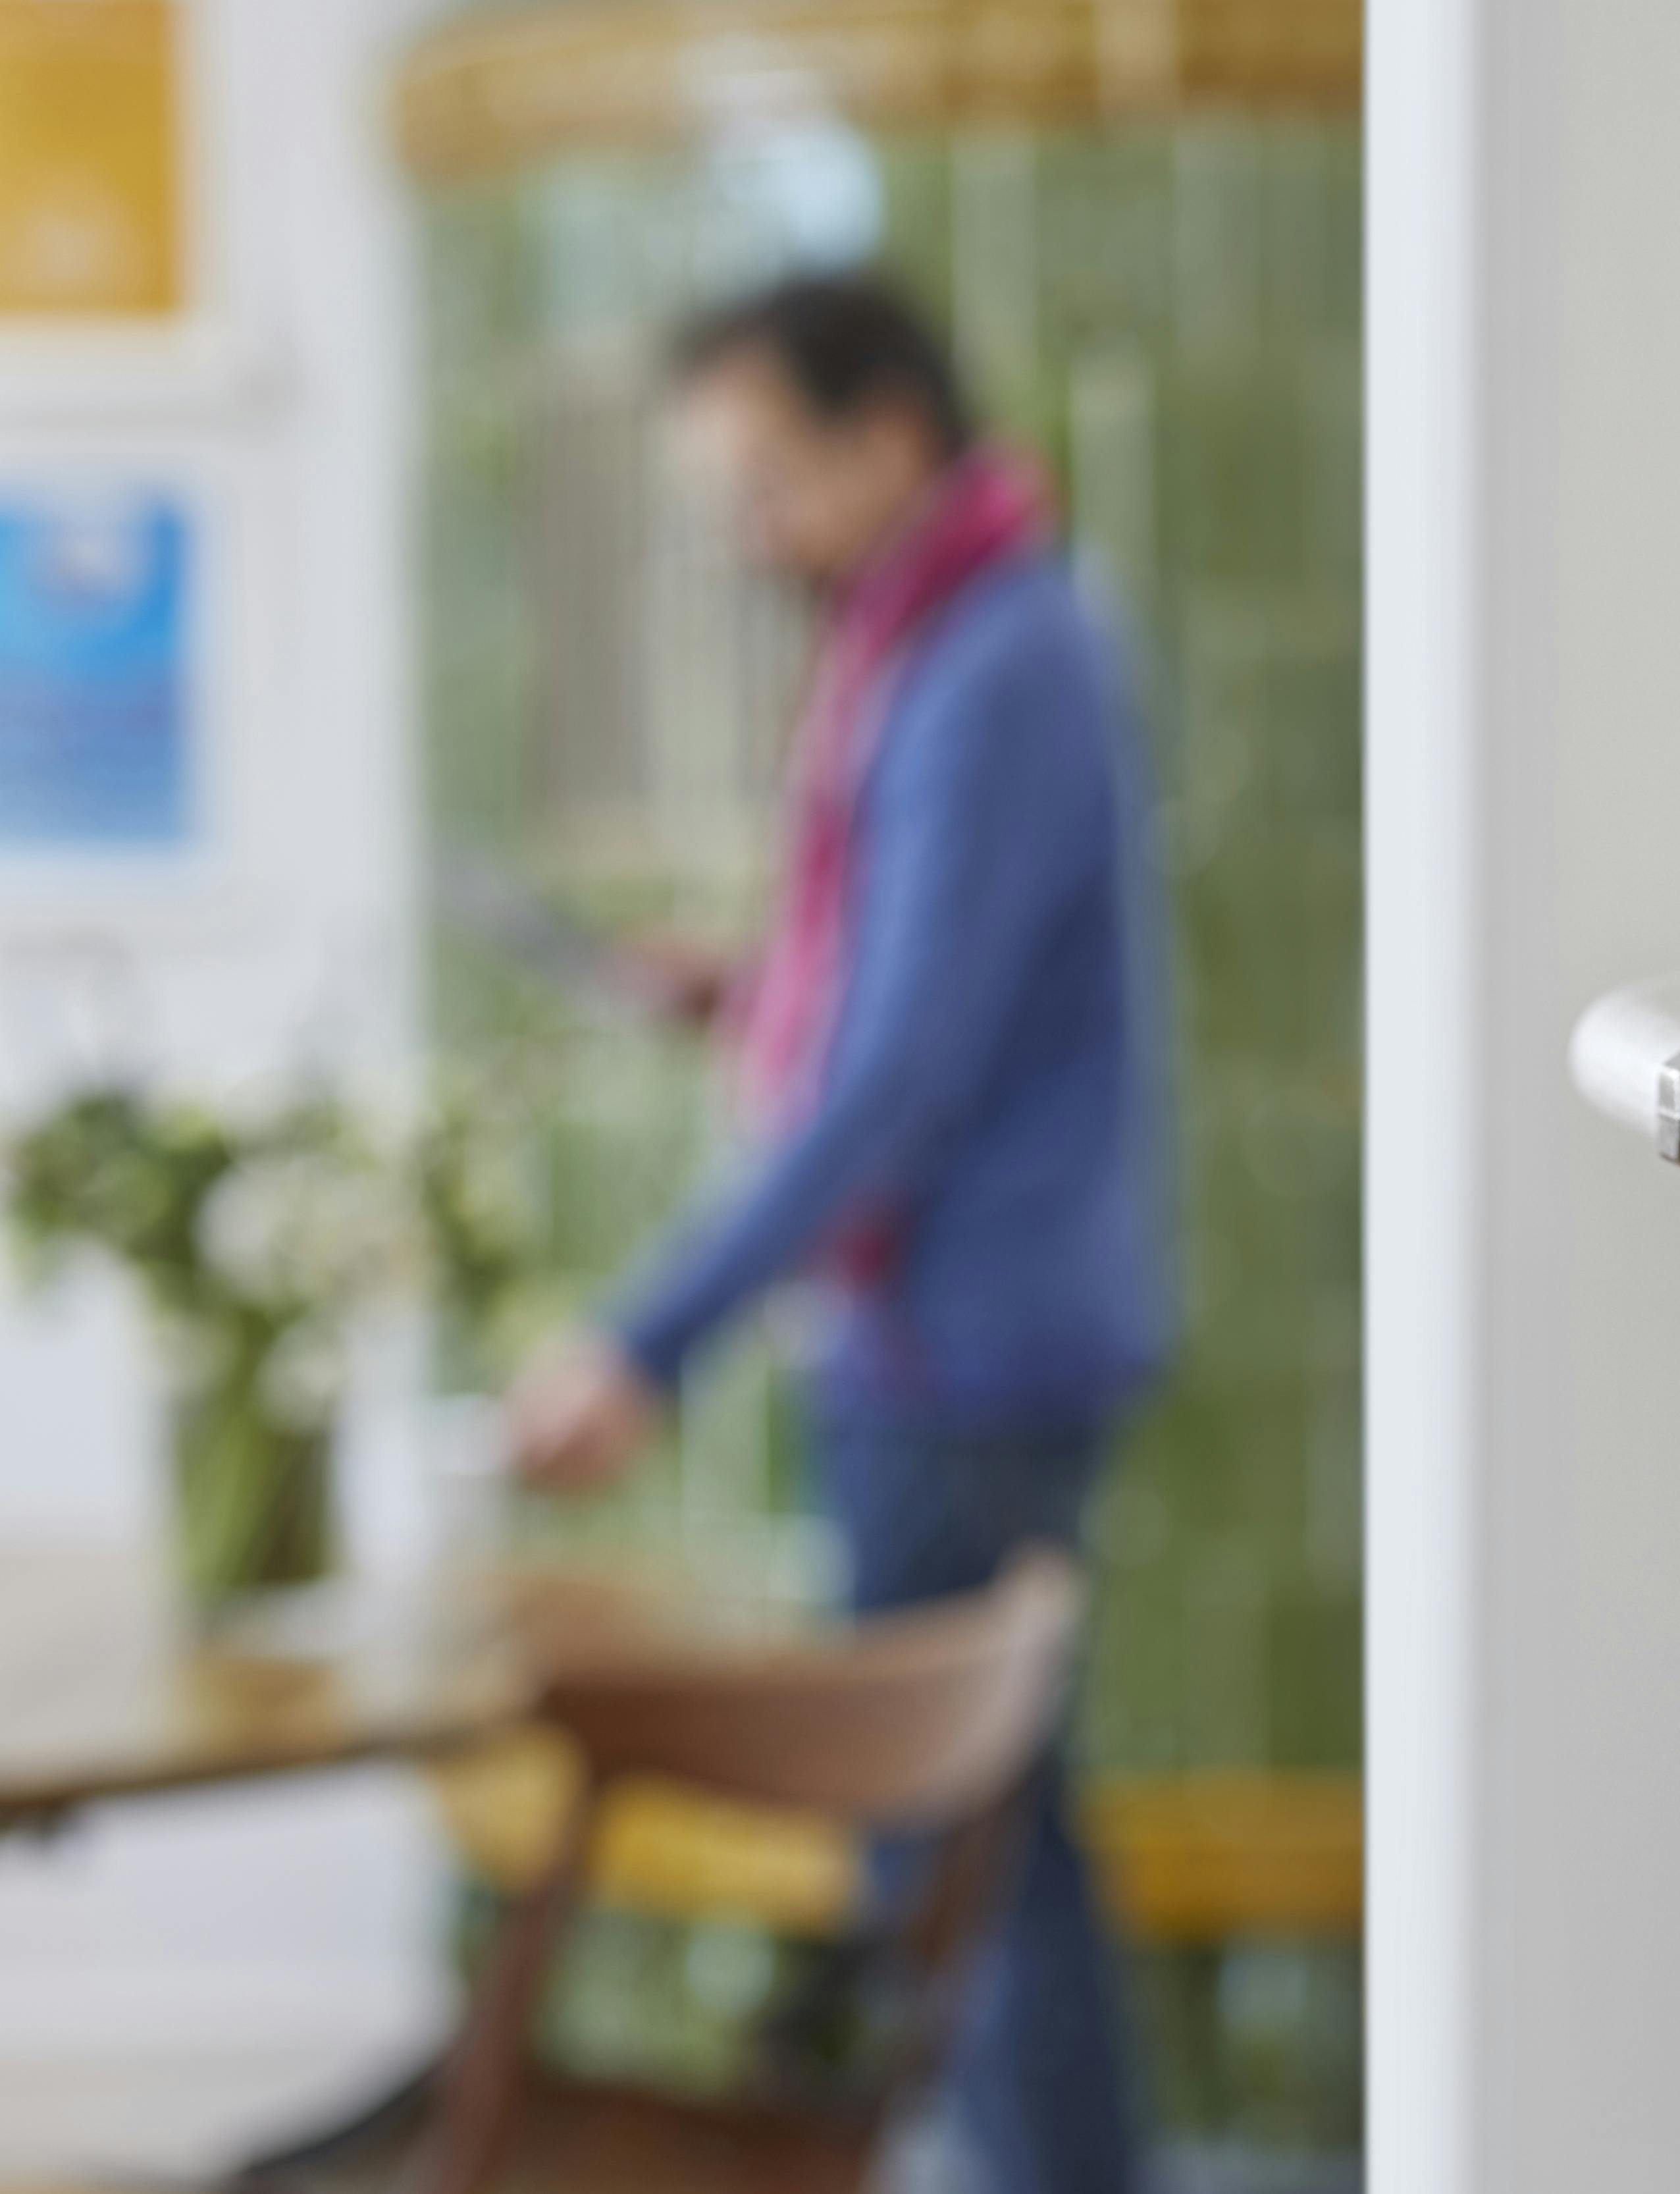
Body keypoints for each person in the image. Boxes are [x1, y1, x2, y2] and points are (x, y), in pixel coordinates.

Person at [506, 271, 1171, 2194]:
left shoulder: (989, 662)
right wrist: (759, 983)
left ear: (889, 433)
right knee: (994, 1842)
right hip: (975, 1324)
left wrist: (643, 1339)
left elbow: (897, 1088)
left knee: (958, 1855)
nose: (748, 532)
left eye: (768, 480)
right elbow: (924, 998)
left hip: (972, 1344)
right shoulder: (952, 637)